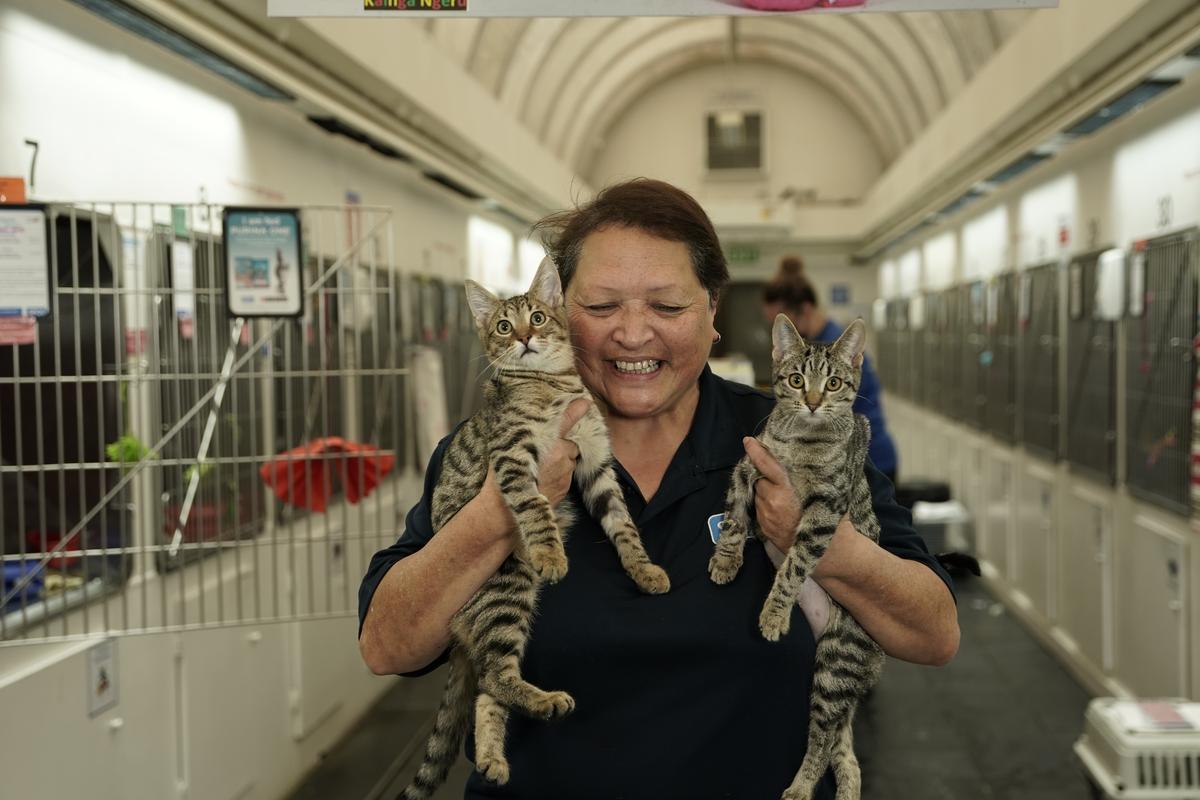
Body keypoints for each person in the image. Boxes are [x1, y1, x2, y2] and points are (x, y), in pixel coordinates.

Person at [358, 179, 959, 800]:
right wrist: (496, 514)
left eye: (667, 308)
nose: (633, 334)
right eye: (601, 307)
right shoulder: (490, 445)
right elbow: (386, 645)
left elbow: (934, 632)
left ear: (712, 311)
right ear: (560, 310)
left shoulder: (791, 435)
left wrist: (817, 540)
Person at [763, 257, 900, 485]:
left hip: (871, 462)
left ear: (805, 310)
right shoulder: (812, 348)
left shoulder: (836, 348)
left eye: (789, 323)